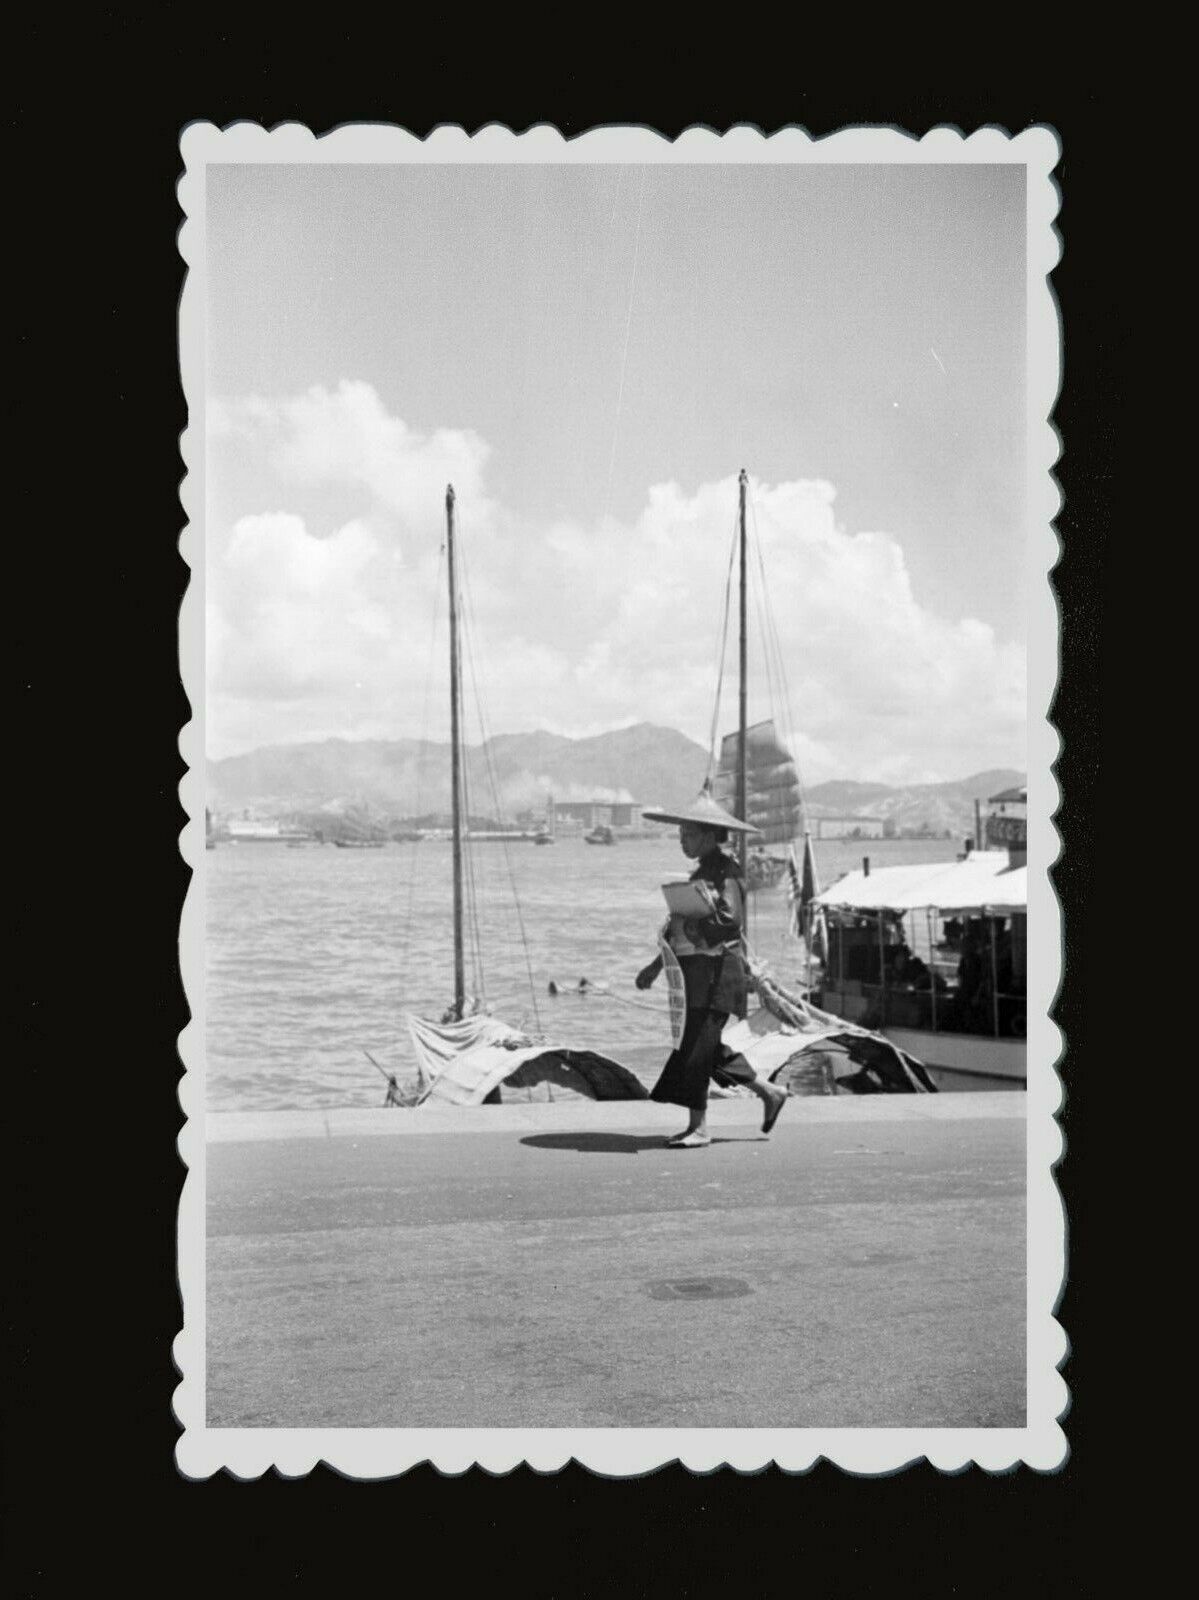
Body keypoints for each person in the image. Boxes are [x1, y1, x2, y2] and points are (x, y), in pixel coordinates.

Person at [636, 787, 788, 1148]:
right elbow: (682, 927)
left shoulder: (727, 872)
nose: (682, 841)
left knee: (697, 1048)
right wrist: (656, 966)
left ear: (708, 835)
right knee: (707, 1047)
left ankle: (700, 1128)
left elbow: (729, 922)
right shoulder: (702, 873)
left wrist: (691, 927)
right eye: (680, 835)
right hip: (697, 976)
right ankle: (769, 1093)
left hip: (719, 976)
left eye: (687, 834)